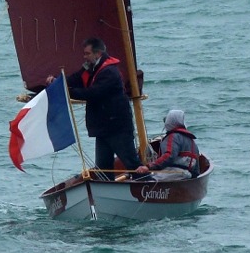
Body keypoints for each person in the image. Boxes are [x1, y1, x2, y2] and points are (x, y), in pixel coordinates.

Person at [46, 37, 141, 178]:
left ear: (98, 54)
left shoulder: (110, 73)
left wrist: (66, 92)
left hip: (117, 128)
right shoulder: (91, 67)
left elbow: (92, 93)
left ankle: (149, 188)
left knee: (133, 165)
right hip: (103, 130)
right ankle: (108, 196)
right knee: (103, 170)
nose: (85, 57)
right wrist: (57, 83)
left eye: (87, 53)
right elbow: (76, 79)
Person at [135, 109, 200, 181]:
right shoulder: (191, 141)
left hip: (174, 173)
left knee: (146, 180)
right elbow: (196, 167)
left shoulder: (173, 136)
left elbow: (169, 155)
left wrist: (148, 167)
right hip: (188, 175)